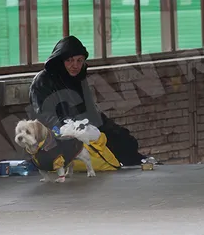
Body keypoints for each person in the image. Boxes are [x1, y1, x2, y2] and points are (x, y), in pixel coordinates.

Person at [28, 35, 147, 166]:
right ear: (60, 61)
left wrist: (112, 130)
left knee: (124, 141)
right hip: (58, 133)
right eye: (70, 60)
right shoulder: (42, 81)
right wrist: (69, 132)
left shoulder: (78, 79)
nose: (75, 65)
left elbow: (91, 112)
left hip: (83, 127)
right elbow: (45, 117)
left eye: (79, 61)